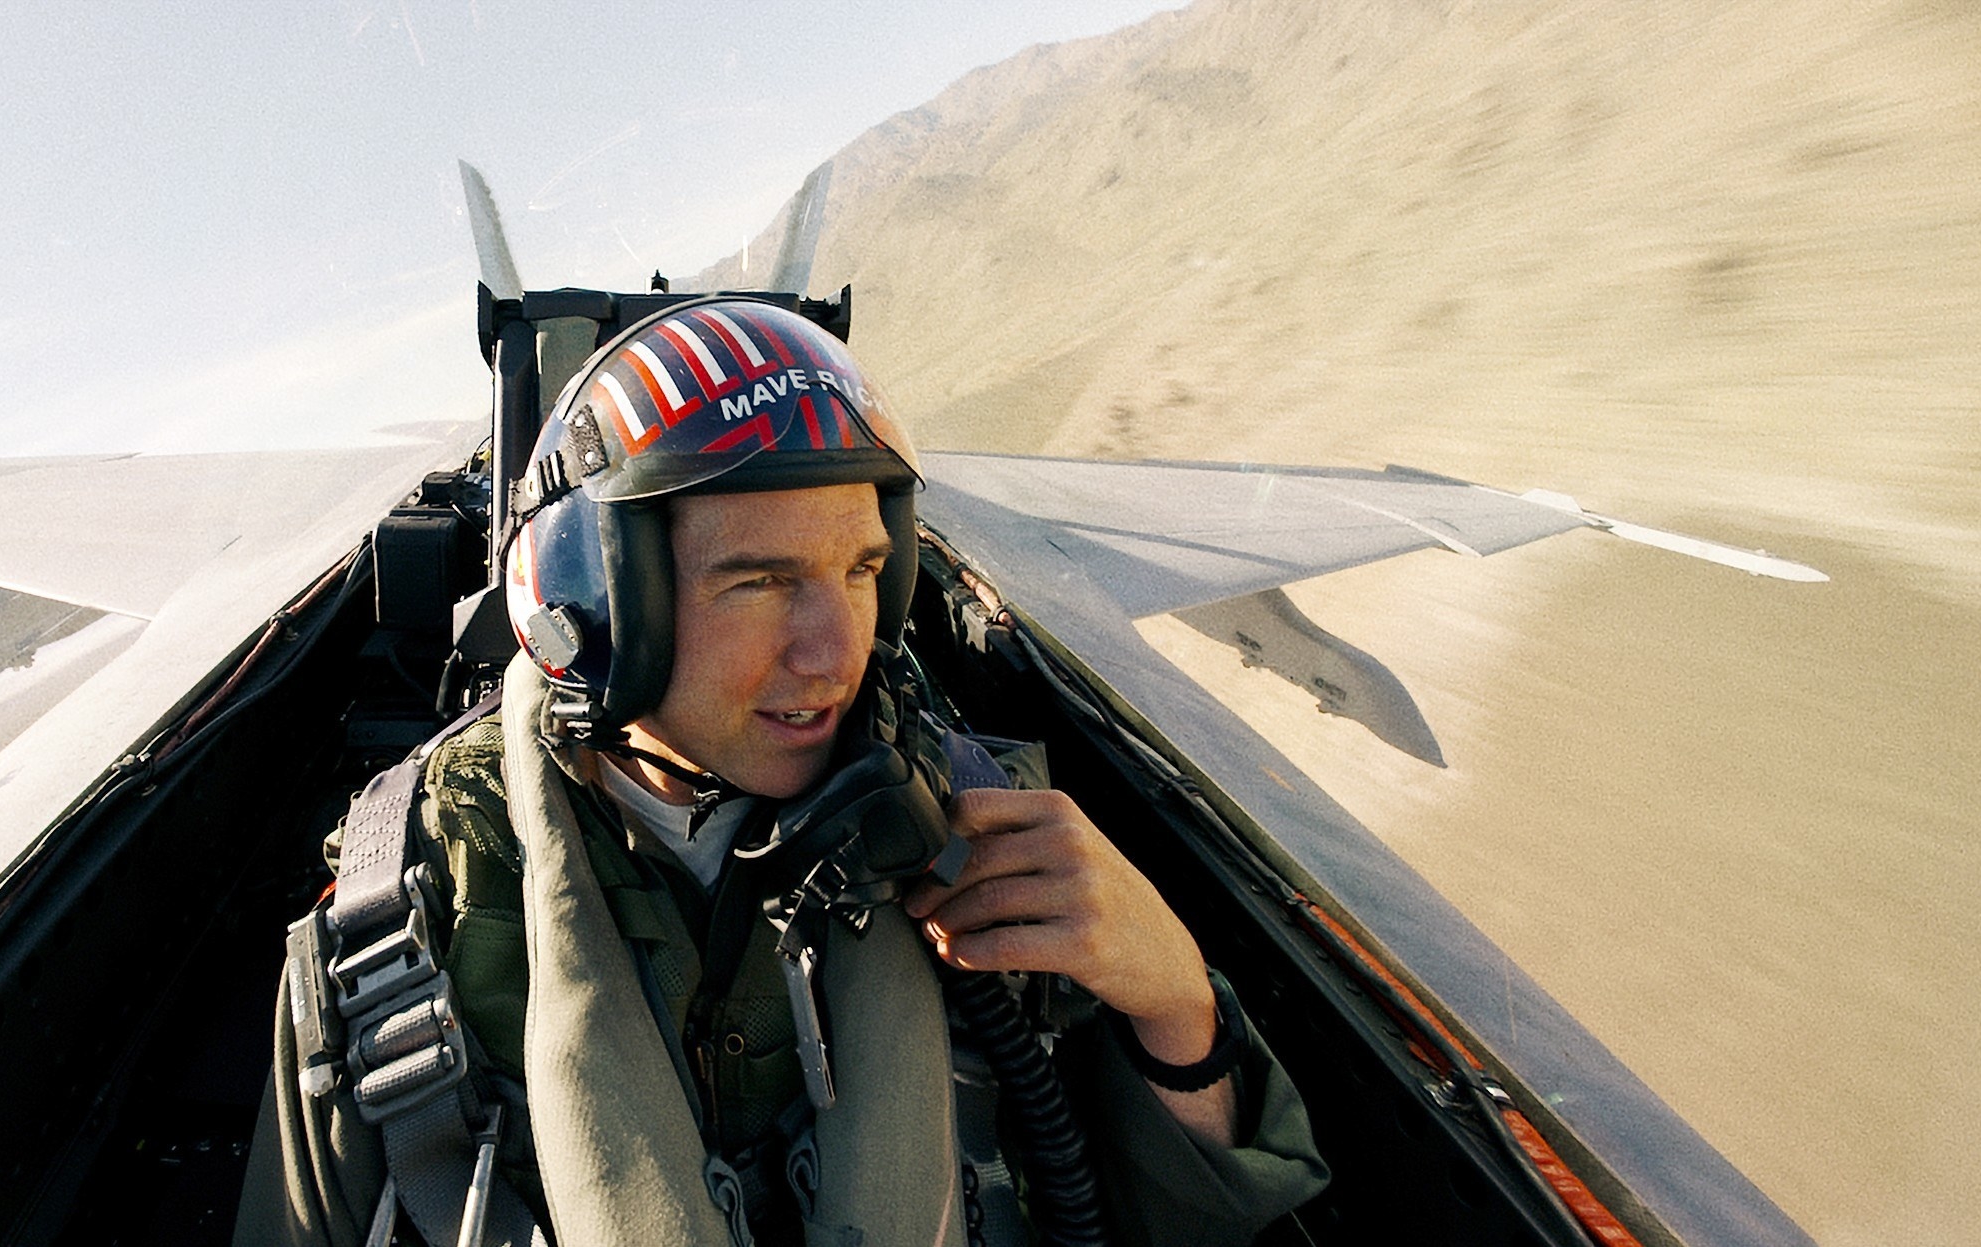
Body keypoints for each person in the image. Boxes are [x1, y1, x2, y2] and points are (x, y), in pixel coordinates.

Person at [239, 298, 1327, 1246]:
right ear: (596, 606)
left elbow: (1170, 1221)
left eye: (860, 568)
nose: (839, 649)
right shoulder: (405, 923)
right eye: (759, 582)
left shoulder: (988, 827)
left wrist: (1175, 1002)